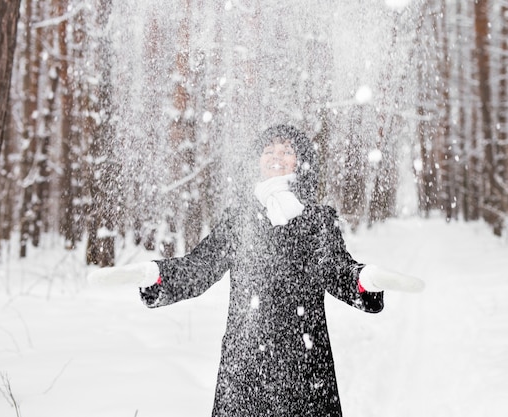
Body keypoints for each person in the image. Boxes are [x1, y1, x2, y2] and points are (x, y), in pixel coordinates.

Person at [89, 124, 424, 417]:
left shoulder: (317, 219)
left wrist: (364, 281)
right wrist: (155, 276)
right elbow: (200, 267)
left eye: (287, 151)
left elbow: (335, 269)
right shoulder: (240, 219)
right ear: (257, 162)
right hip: (246, 364)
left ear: (301, 162)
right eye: (268, 150)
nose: (276, 156)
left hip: (304, 366)